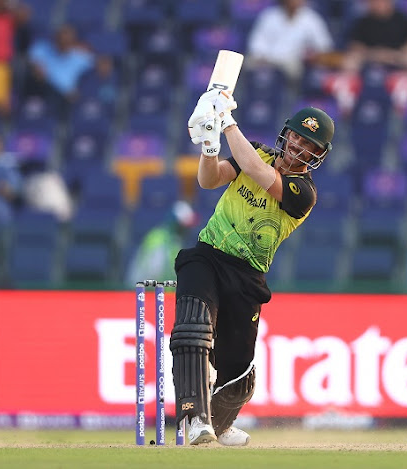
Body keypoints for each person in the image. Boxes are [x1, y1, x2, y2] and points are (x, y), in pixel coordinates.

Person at [172, 89, 334, 446]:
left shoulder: (303, 191)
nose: (298, 146)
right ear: (286, 133)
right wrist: (210, 146)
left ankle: (220, 423)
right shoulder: (257, 152)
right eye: (296, 137)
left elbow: (260, 174)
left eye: (309, 144)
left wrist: (227, 122)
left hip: (247, 275)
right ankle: (193, 419)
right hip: (208, 255)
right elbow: (208, 180)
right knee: (192, 330)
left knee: (239, 373)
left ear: (318, 155)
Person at [246, 0, 335, 80]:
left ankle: (291, 97)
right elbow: (256, 45)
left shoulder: (311, 19)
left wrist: (312, 55)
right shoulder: (269, 16)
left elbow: (324, 46)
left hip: (294, 62)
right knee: (247, 64)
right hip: (269, 60)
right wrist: (263, 58)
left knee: (294, 70)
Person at [125, 200, 197, 285]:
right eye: (184, 226)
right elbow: (154, 272)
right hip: (146, 292)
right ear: (176, 224)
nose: (187, 230)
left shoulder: (174, 240)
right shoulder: (160, 239)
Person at [344, 0, 407, 72]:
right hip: (371, 59)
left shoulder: (401, 18)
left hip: (398, 58)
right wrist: (377, 54)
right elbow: (355, 47)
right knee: (351, 61)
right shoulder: (363, 21)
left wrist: (401, 53)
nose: (379, 3)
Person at [26, 24, 93, 103]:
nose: (64, 43)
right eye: (61, 40)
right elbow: (32, 64)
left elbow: (92, 77)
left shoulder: (83, 58)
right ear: (55, 38)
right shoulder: (41, 49)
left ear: (73, 42)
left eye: (68, 41)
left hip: (71, 99)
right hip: (44, 92)